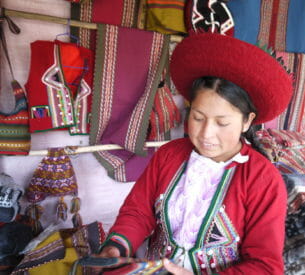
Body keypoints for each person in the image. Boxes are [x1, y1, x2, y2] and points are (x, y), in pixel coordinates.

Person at [96, 33, 293, 274]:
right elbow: (138, 211)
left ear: (246, 121)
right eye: (198, 118)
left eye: (221, 123)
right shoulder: (168, 155)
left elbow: (265, 266)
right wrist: (117, 247)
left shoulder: (263, 180)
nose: (206, 134)